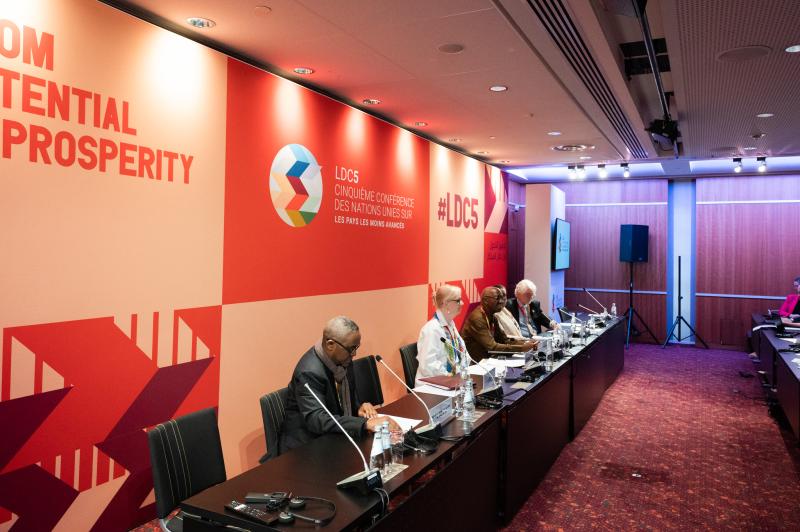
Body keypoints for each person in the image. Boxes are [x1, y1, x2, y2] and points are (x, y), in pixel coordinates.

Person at [280, 316, 399, 453]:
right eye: (351, 348)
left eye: (356, 347)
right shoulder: (309, 372)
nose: (354, 353)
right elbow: (317, 419)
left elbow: (344, 400)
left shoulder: (342, 360)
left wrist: (359, 407)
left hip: (334, 436)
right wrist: (364, 424)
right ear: (331, 345)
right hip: (306, 446)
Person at [460, 286, 538, 362]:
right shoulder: (477, 318)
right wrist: (521, 348)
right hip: (474, 364)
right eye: (497, 298)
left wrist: (527, 343)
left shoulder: (492, 315)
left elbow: (504, 340)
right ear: (486, 300)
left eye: (502, 297)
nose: (501, 301)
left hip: (488, 360)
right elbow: (492, 347)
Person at [415, 284, 470, 384]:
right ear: (446, 303)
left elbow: (462, 352)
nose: (462, 303)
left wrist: (462, 371)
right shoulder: (432, 330)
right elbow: (428, 366)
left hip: (451, 382)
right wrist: (451, 376)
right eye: (458, 300)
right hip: (432, 388)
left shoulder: (450, 325)